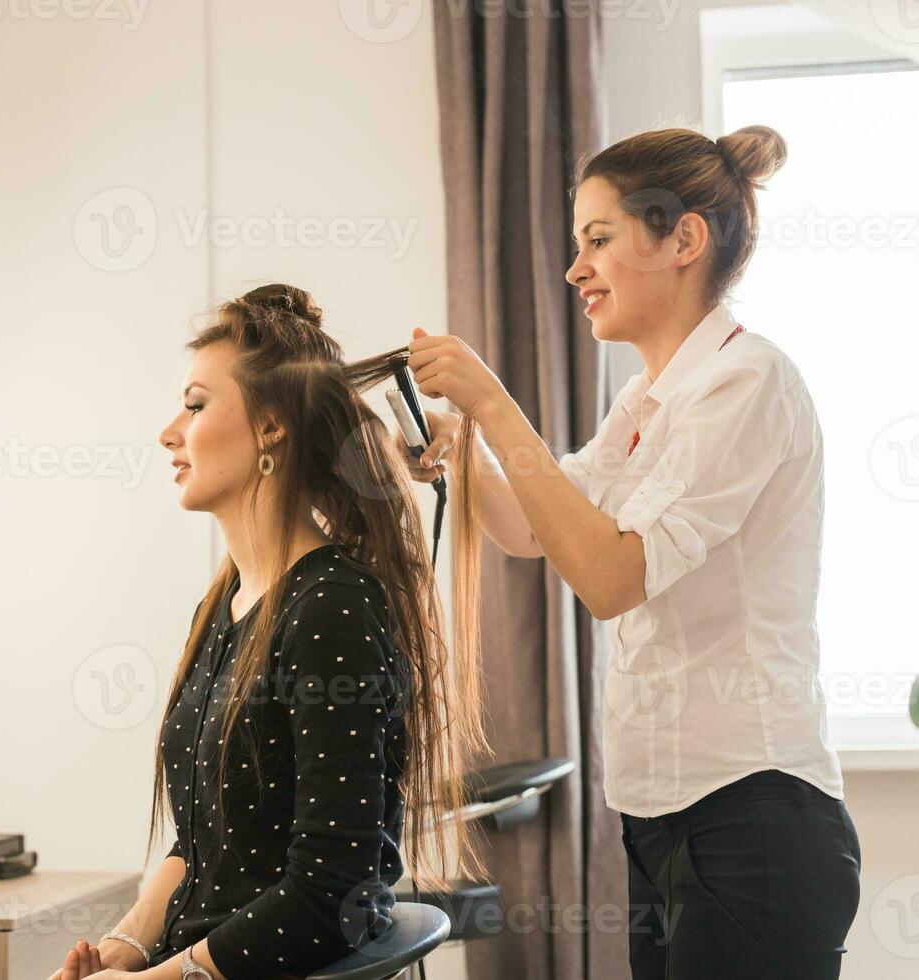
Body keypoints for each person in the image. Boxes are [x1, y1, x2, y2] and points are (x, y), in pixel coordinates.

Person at [402, 125, 861, 978]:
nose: (575, 269)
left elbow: (613, 577)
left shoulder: (747, 380)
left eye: (598, 240)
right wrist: (461, 448)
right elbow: (533, 527)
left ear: (683, 239)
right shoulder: (647, 396)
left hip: (755, 817)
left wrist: (494, 404)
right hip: (657, 819)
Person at [48, 283, 485, 980]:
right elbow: (201, 843)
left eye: (194, 406)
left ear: (272, 427)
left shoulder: (331, 609)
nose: (170, 432)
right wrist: (123, 948)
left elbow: (327, 896)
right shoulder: (223, 605)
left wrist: (163, 978)